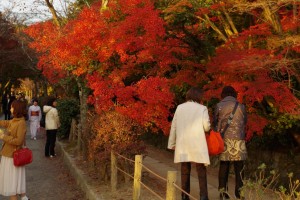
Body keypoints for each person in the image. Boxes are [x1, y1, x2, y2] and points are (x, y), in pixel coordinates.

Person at [168, 87, 211, 200]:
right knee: (201, 169)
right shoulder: (202, 108)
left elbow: (174, 126)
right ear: (198, 96)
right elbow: (206, 127)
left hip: (183, 144)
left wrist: (172, 143)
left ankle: (184, 195)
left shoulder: (179, 108)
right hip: (198, 143)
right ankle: (203, 196)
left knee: (185, 169)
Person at [213, 86, 247, 200]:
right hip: (239, 139)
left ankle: (223, 193)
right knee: (239, 168)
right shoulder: (241, 106)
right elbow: (245, 121)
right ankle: (240, 194)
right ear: (234, 94)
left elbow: (215, 122)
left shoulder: (219, 106)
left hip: (224, 140)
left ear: (223, 94)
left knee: (224, 167)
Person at [0, 100, 30, 200]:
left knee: (11, 185)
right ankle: (23, 197)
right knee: (15, 183)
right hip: (9, 155)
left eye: (12, 107)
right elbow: (6, 123)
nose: (10, 109)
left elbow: (19, 141)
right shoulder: (15, 120)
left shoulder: (21, 123)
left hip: (12, 156)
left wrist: (4, 136)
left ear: (16, 109)